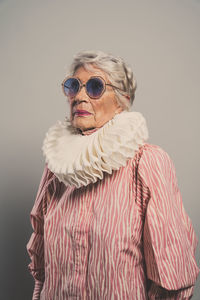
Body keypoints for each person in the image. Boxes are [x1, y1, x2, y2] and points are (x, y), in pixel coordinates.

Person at [27, 50, 199, 300]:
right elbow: (41, 267)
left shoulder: (146, 162)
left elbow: (171, 271)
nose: (79, 97)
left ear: (121, 101)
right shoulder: (57, 167)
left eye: (95, 87)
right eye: (73, 86)